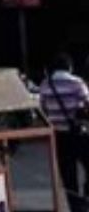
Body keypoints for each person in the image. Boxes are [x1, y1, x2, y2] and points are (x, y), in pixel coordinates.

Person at [40, 54, 89, 207]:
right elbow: (87, 104)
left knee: (68, 177)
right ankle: (87, 195)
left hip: (59, 136)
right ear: (69, 67)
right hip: (80, 134)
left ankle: (77, 207)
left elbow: (43, 109)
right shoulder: (77, 83)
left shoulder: (45, 85)